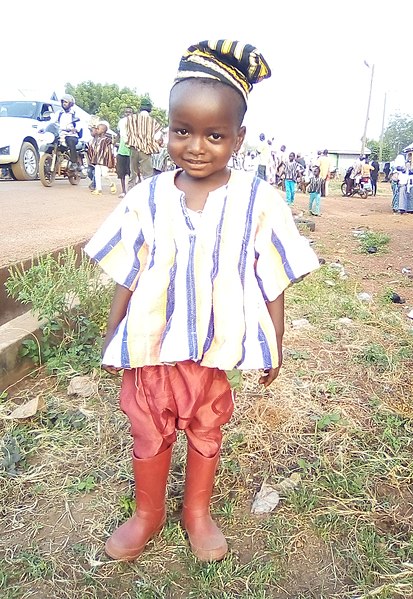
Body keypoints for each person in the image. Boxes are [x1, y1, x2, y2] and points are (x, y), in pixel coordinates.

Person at [85, 39, 319, 564]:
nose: (196, 146)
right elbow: (129, 269)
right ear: (165, 128)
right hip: (151, 345)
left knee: (206, 424)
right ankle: (148, 513)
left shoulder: (259, 200)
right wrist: (112, 332)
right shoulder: (145, 197)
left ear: (238, 138)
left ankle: (196, 511)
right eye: (182, 131)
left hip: (213, 350)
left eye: (214, 135)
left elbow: (272, 276)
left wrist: (274, 342)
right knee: (148, 425)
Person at [126, 98, 162, 190]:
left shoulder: (130, 119)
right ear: (149, 109)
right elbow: (158, 138)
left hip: (133, 148)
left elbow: (124, 134)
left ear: (140, 108)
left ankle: (129, 193)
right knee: (148, 175)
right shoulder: (153, 122)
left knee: (133, 173)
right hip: (146, 150)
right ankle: (148, 194)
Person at [53, 94, 84, 170]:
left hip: (71, 135)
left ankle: (74, 163)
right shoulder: (59, 113)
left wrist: (75, 129)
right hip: (60, 134)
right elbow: (52, 122)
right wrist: (43, 129)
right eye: (63, 102)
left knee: (70, 140)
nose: (64, 103)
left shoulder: (74, 113)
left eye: (66, 102)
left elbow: (80, 123)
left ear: (70, 104)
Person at [87, 121, 116, 196]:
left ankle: (111, 184)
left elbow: (113, 143)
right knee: (97, 175)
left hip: (104, 160)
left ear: (103, 131)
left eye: (98, 129)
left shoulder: (107, 139)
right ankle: (98, 189)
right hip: (97, 160)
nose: (96, 130)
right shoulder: (97, 139)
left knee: (105, 174)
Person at [116, 107, 133, 198]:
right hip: (122, 151)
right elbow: (119, 134)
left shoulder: (135, 123)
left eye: (130, 112)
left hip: (132, 151)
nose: (128, 113)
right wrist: (114, 143)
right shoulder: (121, 122)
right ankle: (123, 191)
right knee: (121, 172)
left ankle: (131, 190)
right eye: (126, 112)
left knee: (132, 172)